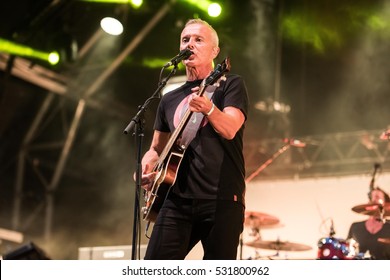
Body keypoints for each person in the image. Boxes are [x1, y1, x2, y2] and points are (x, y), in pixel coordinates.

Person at [138, 18, 249, 260]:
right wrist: (148, 165)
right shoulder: (169, 98)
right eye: (185, 39)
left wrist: (209, 109)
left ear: (214, 51)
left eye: (199, 40)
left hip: (221, 199)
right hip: (175, 199)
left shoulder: (229, 84)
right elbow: (155, 148)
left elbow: (230, 129)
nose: (191, 44)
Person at [347, 187, 390, 259]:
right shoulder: (355, 226)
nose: (374, 200)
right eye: (372, 197)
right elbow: (348, 249)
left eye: (377, 197)